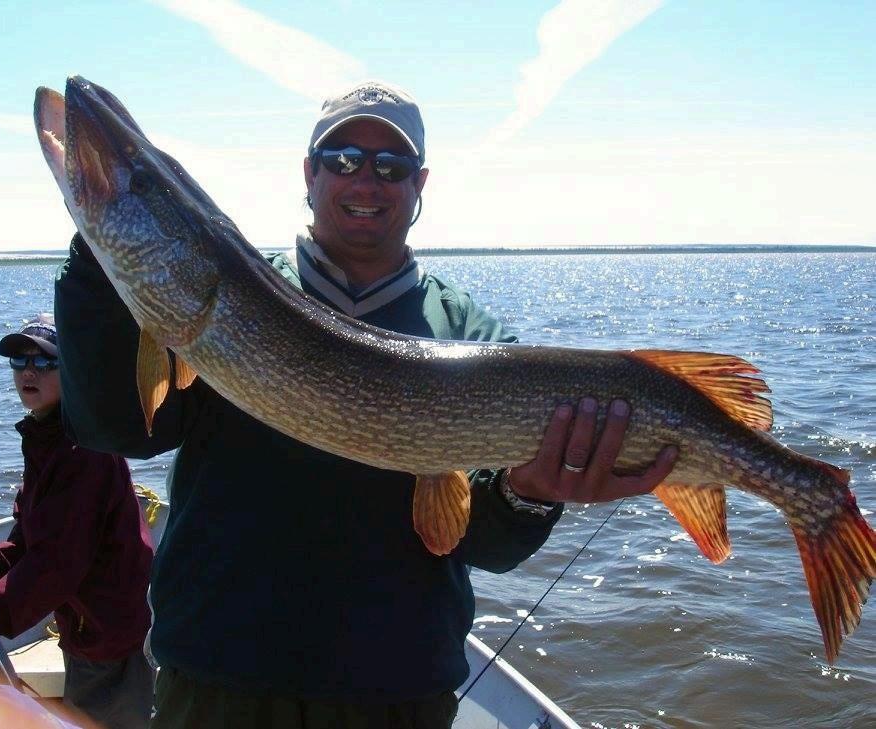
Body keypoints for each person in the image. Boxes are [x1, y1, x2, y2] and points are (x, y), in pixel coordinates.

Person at [54, 81, 677, 728]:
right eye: (344, 159)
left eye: (391, 166)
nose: (366, 181)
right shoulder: (220, 295)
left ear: (419, 184)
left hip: (395, 695)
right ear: (310, 173)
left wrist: (532, 493)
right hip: (217, 680)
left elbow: (484, 542)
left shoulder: (470, 335)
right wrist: (99, 259)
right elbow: (113, 428)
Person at [0, 314, 156, 729]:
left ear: (74, 369)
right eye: (20, 360)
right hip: (84, 622)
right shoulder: (48, 435)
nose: (30, 371)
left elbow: (59, 560)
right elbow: (38, 528)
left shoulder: (81, 450)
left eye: (45, 362)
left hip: (109, 631)